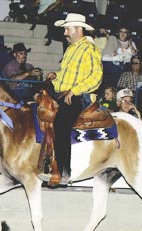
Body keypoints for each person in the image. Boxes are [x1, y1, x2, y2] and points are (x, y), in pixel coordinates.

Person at [38, 13, 103, 184]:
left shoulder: (90, 49)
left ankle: (63, 172)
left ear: (78, 29)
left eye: (68, 29)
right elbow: (70, 75)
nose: (65, 32)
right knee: (35, 104)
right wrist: (56, 76)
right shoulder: (71, 49)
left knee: (61, 123)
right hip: (64, 92)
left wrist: (75, 91)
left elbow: (96, 77)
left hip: (80, 96)